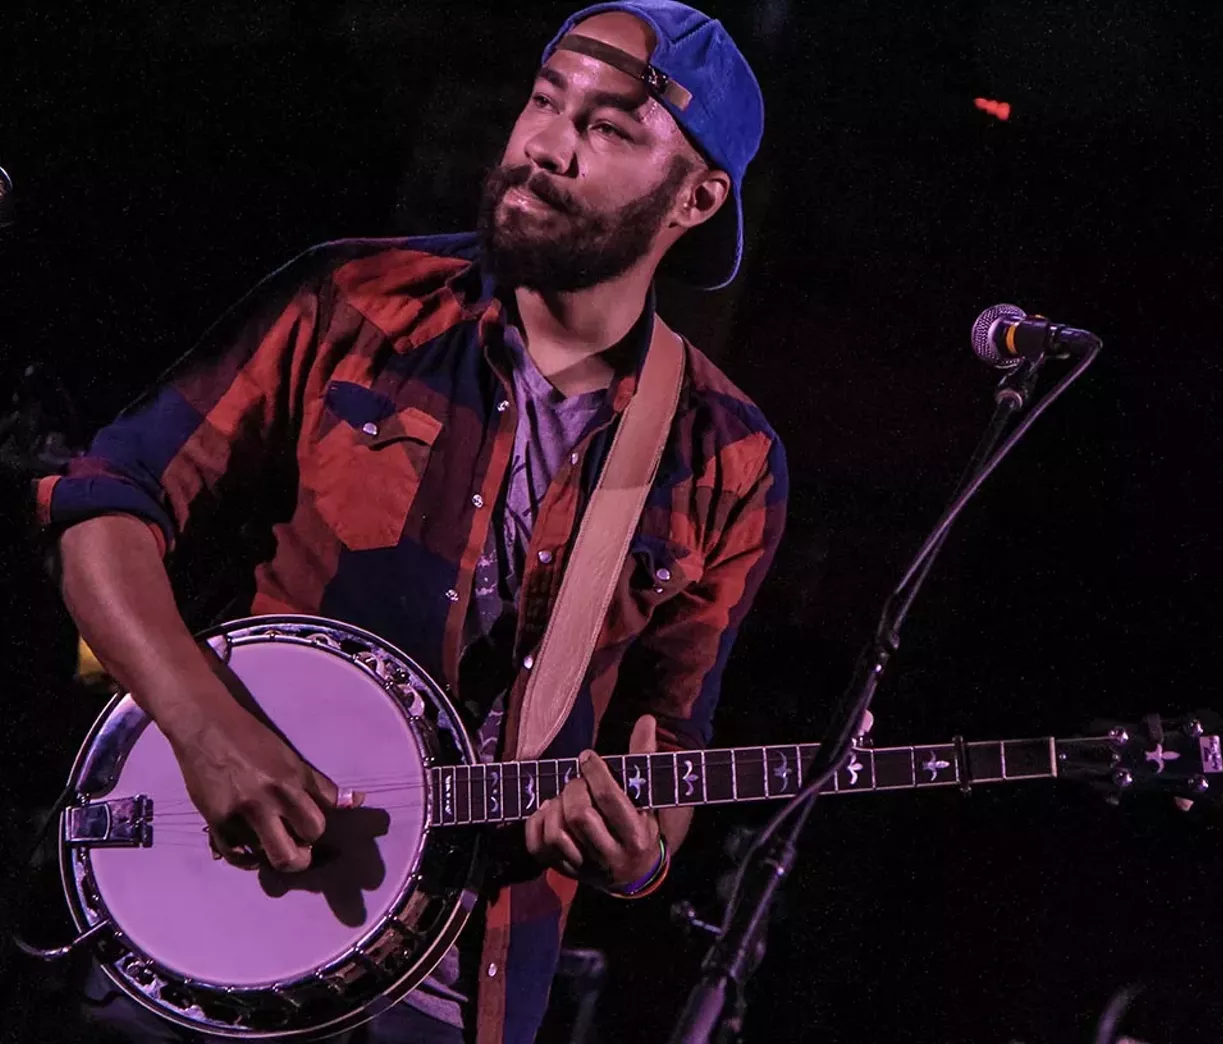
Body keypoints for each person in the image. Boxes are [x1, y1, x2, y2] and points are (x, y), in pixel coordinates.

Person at [35, 2, 786, 1042]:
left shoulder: (727, 456)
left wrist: (636, 849)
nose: (544, 147)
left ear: (696, 198)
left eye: (607, 128)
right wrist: (207, 731)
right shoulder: (354, 301)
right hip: (203, 921)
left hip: (455, 989)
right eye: (542, 101)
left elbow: (672, 738)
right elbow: (102, 503)